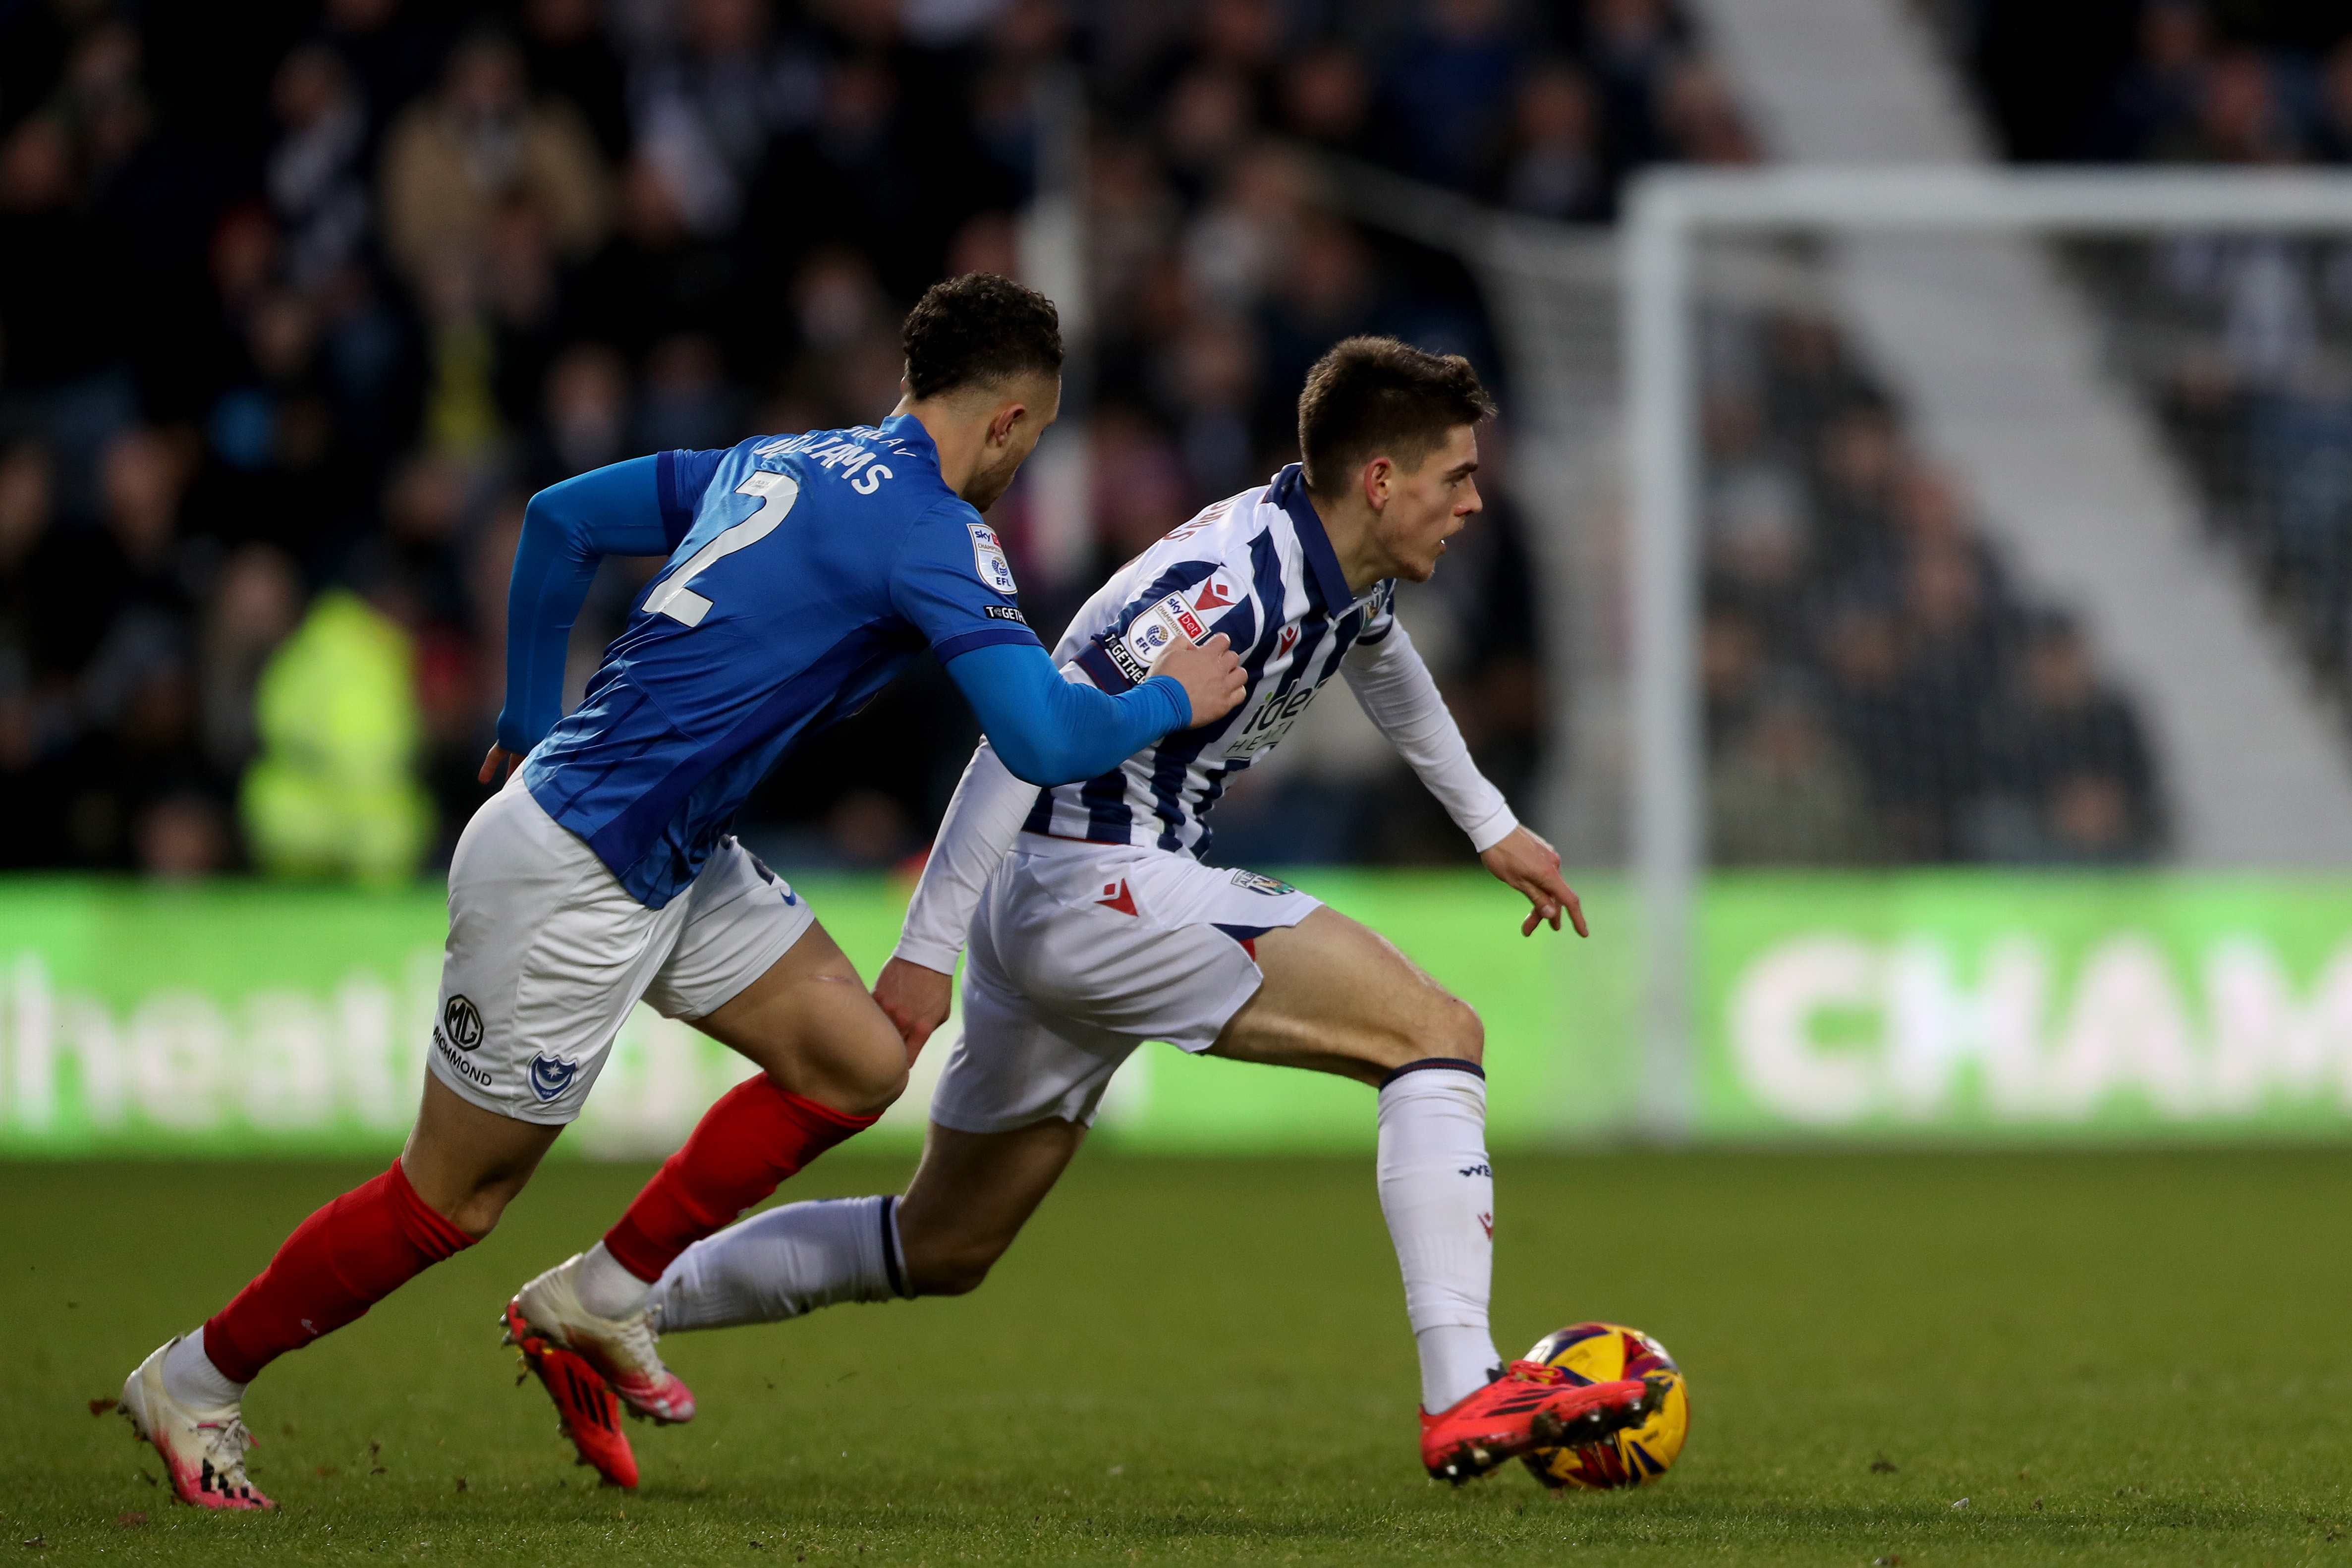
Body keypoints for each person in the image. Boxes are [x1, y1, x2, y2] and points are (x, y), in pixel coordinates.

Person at [116, 273, 1247, 1510]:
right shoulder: (937, 530)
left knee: (858, 1063)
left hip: (664, 845)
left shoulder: (783, 459)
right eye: (1028, 445)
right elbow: (1038, 736)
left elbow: (556, 521)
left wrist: (531, 718)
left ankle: (598, 1296)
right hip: (574, 870)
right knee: (450, 1200)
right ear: (1011, 425)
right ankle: (197, 1376)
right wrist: (1167, 700)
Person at [541, 337, 1665, 1488]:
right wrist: (922, 957)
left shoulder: (1344, 561)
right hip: (1102, 886)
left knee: (942, 1244)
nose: (1476, 501)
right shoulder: (1226, 591)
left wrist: (1488, 824)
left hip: (1068, 910)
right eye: (1457, 477)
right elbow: (1009, 751)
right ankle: (1464, 1387)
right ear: (1381, 480)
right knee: (1438, 1034)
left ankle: (603, 1302)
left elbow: (1379, 656)